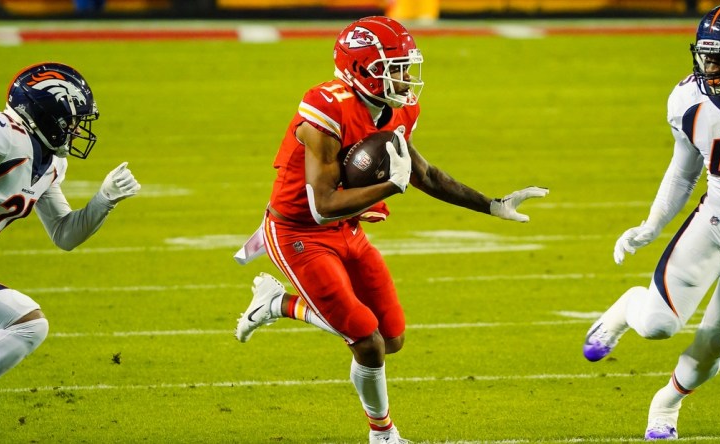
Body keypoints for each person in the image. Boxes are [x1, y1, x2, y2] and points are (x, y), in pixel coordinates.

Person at [232, 16, 548, 444]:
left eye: (404, 66)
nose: (402, 78)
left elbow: (425, 174)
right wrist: (389, 186)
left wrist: (492, 205)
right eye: (392, 68)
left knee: (392, 336)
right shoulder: (325, 107)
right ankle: (383, 435)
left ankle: (275, 305)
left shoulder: (397, 108)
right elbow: (321, 206)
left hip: (348, 228)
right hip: (297, 232)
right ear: (359, 69)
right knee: (367, 339)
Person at [583, 3, 720, 440]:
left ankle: (666, 404)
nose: (712, 68)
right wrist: (650, 225)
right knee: (658, 326)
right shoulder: (689, 98)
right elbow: (684, 170)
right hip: (718, 223)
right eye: (707, 56)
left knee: (714, 345)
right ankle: (629, 306)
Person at [0, 62, 140, 389]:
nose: (77, 130)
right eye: (70, 121)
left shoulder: (50, 164)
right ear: (45, 116)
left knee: (27, 324)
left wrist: (104, 199)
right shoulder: (0, 132)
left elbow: (65, 234)